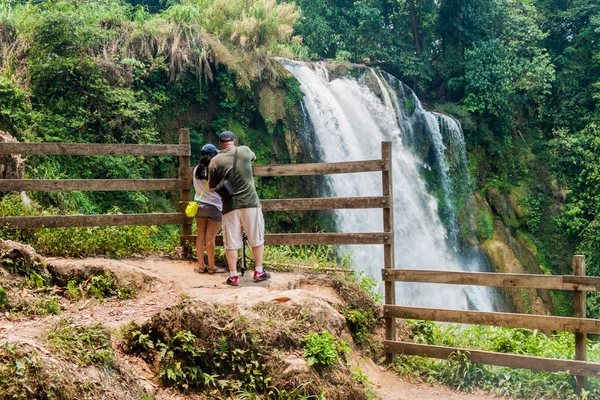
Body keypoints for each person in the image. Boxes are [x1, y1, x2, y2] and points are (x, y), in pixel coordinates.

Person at [208, 131, 269, 286]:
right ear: (234, 141)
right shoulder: (244, 150)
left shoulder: (215, 161)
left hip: (230, 206)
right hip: (250, 203)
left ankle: (234, 276)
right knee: (256, 238)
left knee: (232, 243)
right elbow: (254, 158)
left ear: (220, 144)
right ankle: (259, 271)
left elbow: (212, 188)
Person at [192, 144, 227, 274]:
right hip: (214, 207)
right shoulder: (215, 170)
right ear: (213, 156)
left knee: (200, 236)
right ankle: (212, 267)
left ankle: (201, 266)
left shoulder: (195, 170)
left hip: (199, 205)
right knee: (210, 238)